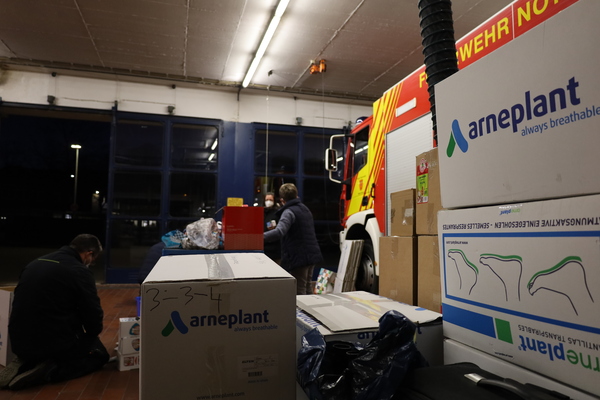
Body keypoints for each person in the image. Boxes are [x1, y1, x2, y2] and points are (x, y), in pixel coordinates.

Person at [0, 234, 110, 390]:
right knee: (99, 355)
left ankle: (26, 362)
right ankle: (50, 371)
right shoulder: (79, 271)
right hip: (50, 342)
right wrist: (91, 338)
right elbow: (92, 312)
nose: (91, 263)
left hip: (17, 340)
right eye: (93, 259)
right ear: (89, 254)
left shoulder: (36, 263)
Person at [264, 183, 323, 295]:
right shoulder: (305, 209)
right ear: (296, 195)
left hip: (299, 256)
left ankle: (300, 307)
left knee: (299, 290)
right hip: (312, 253)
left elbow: (279, 231)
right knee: (307, 287)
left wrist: (259, 237)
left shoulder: (288, 212)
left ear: (282, 200)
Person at [263, 192, 281, 264]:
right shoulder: (262, 212)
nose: (268, 202)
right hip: (264, 249)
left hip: (275, 250)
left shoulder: (278, 213)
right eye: (266, 200)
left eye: (270, 200)